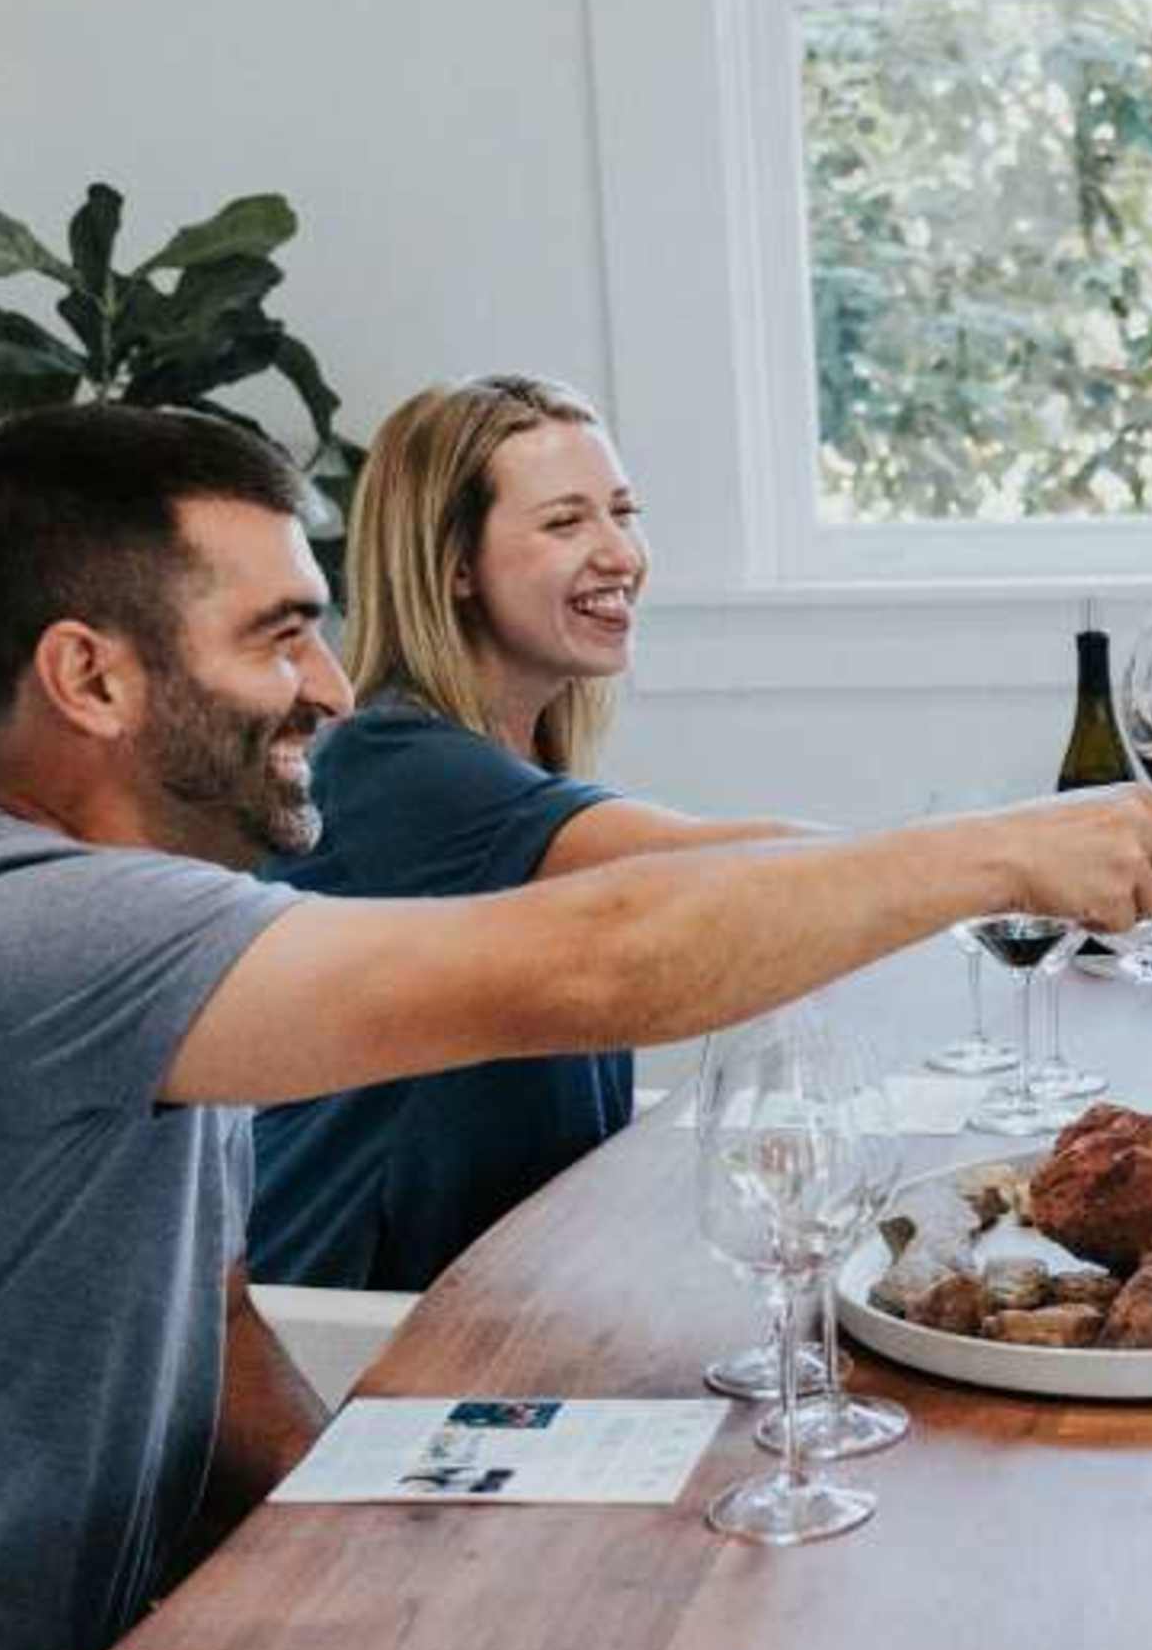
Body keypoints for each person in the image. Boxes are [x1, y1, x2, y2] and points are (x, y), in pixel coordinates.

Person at [0, 406, 1152, 1650]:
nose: (331, 690)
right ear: (93, 676)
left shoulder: (129, 914)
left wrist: (387, 1531)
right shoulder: (14, 933)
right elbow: (610, 960)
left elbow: (202, 1303)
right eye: (279, 638)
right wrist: (1001, 849)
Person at [251, 375, 799, 1290]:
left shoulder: (511, 769)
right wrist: (1009, 864)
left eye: (624, 512)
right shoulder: (396, 767)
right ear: (454, 565)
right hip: (367, 1331)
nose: (621, 552)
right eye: (566, 523)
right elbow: (735, 873)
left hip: (506, 1296)